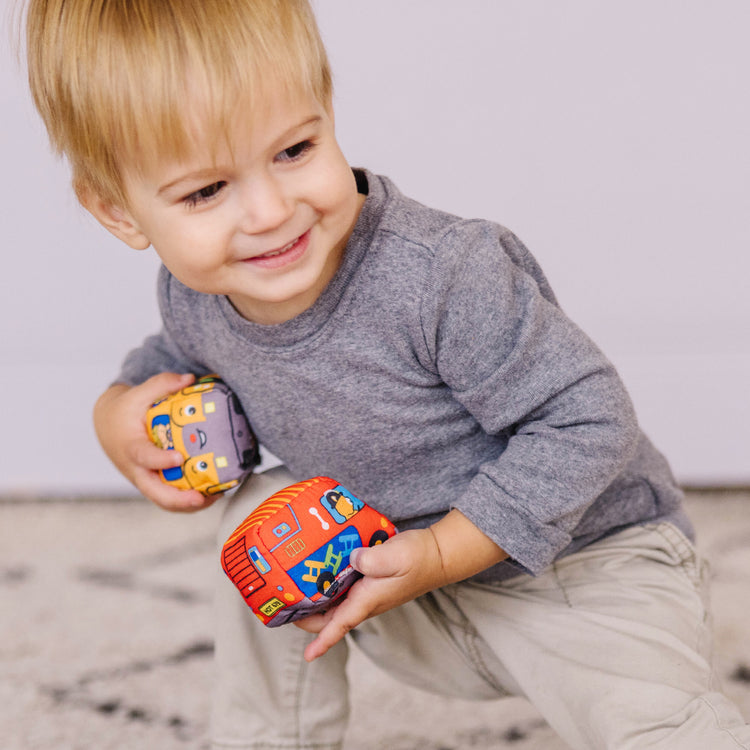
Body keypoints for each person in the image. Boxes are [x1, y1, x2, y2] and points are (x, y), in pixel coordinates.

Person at [23, 1, 750, 748]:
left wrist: (444, 552)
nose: (272, 211)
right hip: (392, 581)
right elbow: (167, 365)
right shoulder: (198, 291)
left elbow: (589, 420)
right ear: (118, 211)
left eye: (295, 150)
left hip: (583, 574)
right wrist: (115, 418)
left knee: (654, 731)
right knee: (258, 516)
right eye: (207, 192)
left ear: (326, 111)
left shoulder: (442, 276)